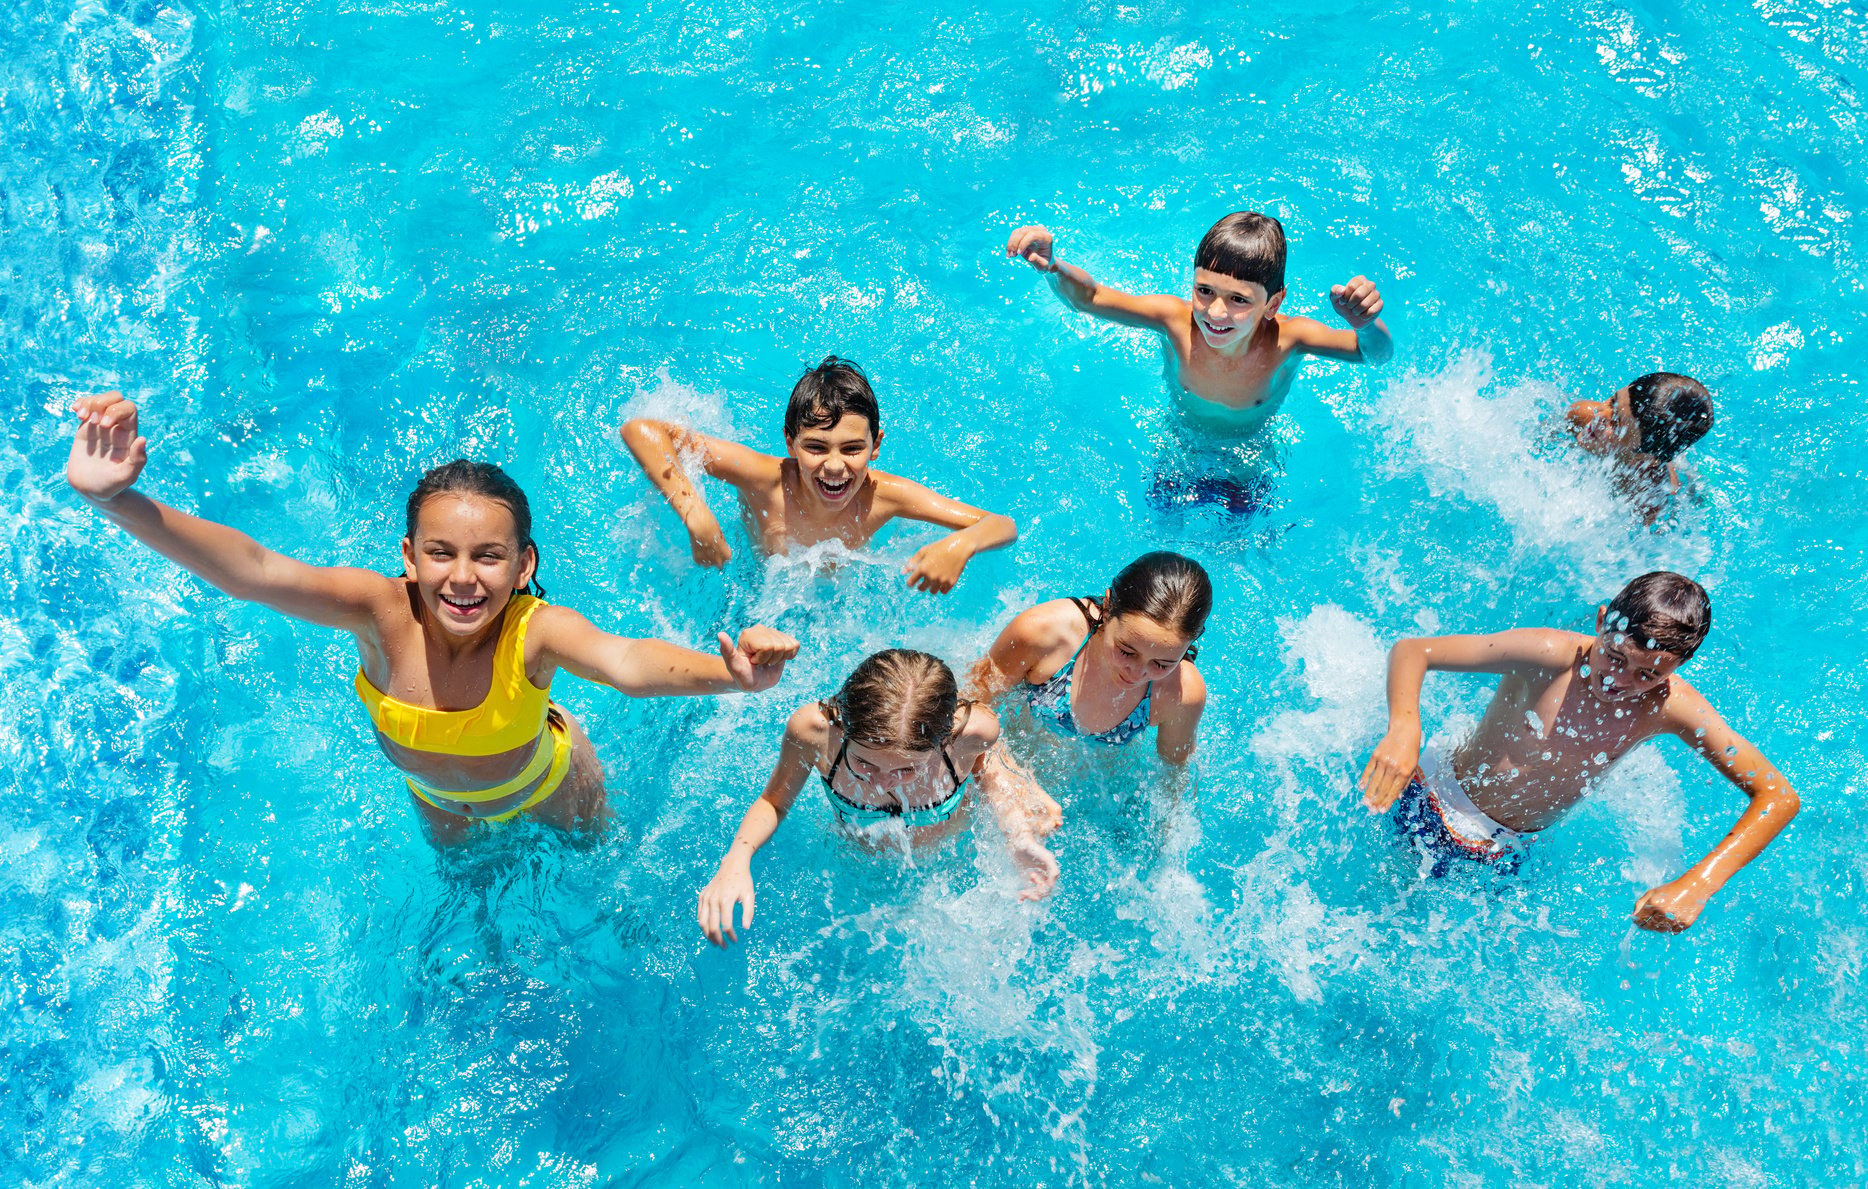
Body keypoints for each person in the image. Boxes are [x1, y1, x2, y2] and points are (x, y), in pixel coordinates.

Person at [65, 393, 799, 842]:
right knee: (465, 904)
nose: (462, 576)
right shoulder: (379, 613)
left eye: (488, 556)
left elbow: (626, 662)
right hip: (439, 800)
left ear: (524, 566)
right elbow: (256, 570)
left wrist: (731, 676)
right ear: (410, 557)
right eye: (442, 553)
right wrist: (114, 499)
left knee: (595, 886)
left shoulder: (531, 630)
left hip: (549, 786)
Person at [1358, 571, 1798, 932]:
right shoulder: (1548, 655)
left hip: (1505, 849)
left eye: (1648, 674)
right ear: (1602, 621)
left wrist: (1699, 884)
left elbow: (1778, 796)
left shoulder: (1669, 706)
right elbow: (1414, 651)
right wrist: (1404, 728)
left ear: (1677, 668)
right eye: (1615, 656)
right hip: (1431, 794)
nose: (1620, 681)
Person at [696, 650, 1060, 946]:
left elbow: (988, 767)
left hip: (951, 860)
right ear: (843, 726)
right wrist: (737, 857)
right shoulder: (815, 734)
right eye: (864, 763)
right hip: (858, 860)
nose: (884, 783)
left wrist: (1018, 835)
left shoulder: (973, 732)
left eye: (906, 770)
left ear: (944, 738)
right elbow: (774, 801)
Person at [620, 356, 1016, 594]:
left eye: (852, 449)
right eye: (815, 447)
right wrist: (694, 514)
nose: (834, 467)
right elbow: (642, 430)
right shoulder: (765, 478)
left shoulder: (886, 496)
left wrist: (961, 546)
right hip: (749, 580)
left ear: (875, 446)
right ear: (790, 443)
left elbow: (1001, 525)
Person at [1004, 211, 1393, 440]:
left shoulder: (1290, 340)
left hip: (1248, 458)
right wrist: (1054, 266)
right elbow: (1088, 299)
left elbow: (1373, 356)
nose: (1215, 312)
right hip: (1181, 441)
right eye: (1204, 290)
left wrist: (1367, 325)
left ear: (1273, 303)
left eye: (1239, 299)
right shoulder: (1174, 320)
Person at [969, 552, 1211, 825]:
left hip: (1101, 792)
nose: (1138, 673)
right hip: (1014, 752)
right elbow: (966, 705)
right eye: (1127, 651)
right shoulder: (1044, 633)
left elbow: (1174, 775)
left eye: (1162, 663)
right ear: (1107, 608)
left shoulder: (1182, 694)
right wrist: (1005, 777)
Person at [1564, 372, 1714, 522]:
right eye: (1612, 402)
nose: (1599, 416)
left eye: (1616, 424)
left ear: (1644, 457)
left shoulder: (1648, 501)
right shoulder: (1582, 414)